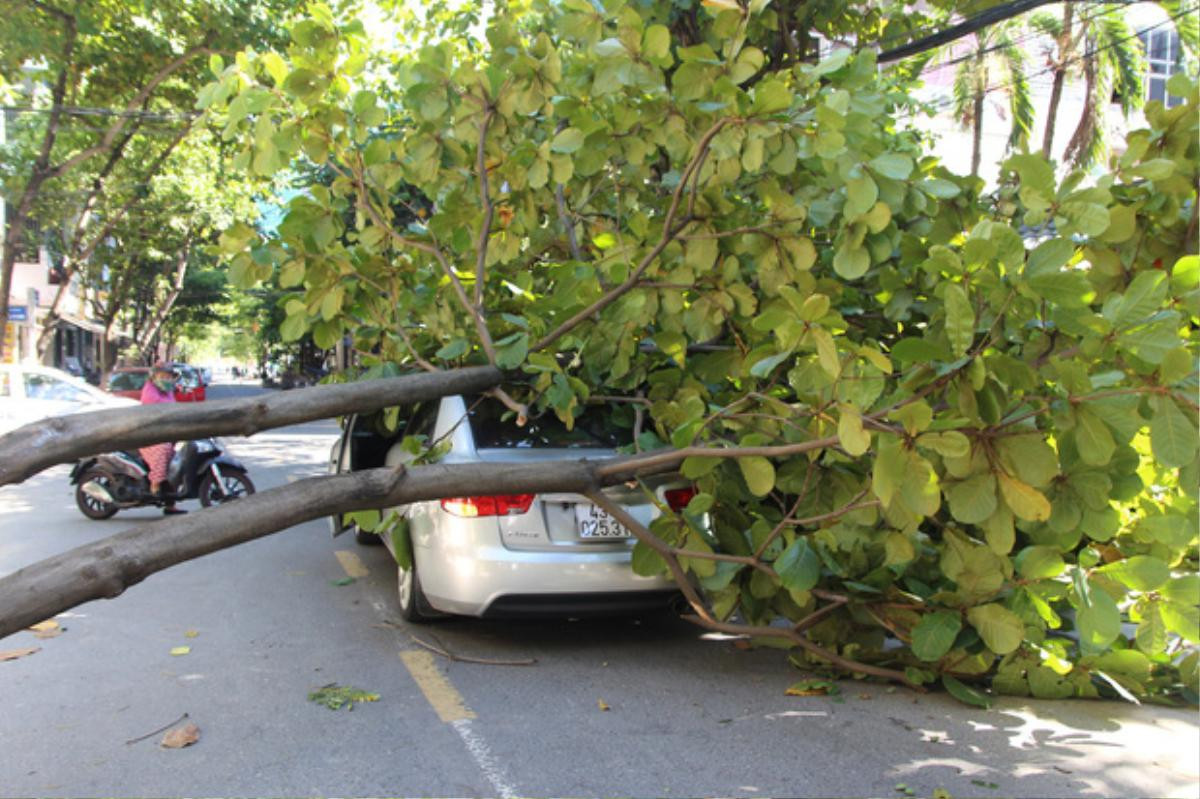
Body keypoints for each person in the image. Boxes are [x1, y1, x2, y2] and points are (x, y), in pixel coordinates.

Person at [139, 364, 186, 515]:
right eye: (162, 376)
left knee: (176, 464)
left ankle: (170, 504)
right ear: (154, 377)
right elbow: (160, 411)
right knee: (163, 449)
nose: (166, 379)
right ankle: (155, 484)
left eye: (168, 376)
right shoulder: (150, 392)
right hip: (151, 437)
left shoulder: (168, 392)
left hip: (166, 434)